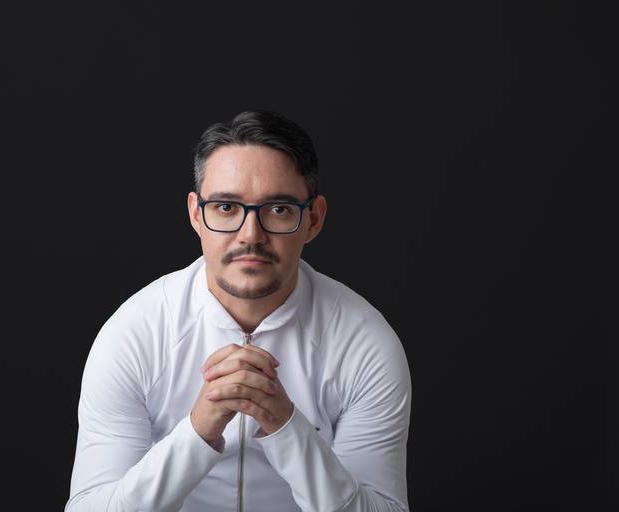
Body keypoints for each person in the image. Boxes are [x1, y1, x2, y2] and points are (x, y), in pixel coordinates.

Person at [65, 110, 412, 511]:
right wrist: (197, 433)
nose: (251, 235)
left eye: (278, 209)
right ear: (197, 214)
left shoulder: (363, 341)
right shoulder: (136, 332)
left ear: (313, 219)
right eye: (227, 207)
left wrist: (287, 428)